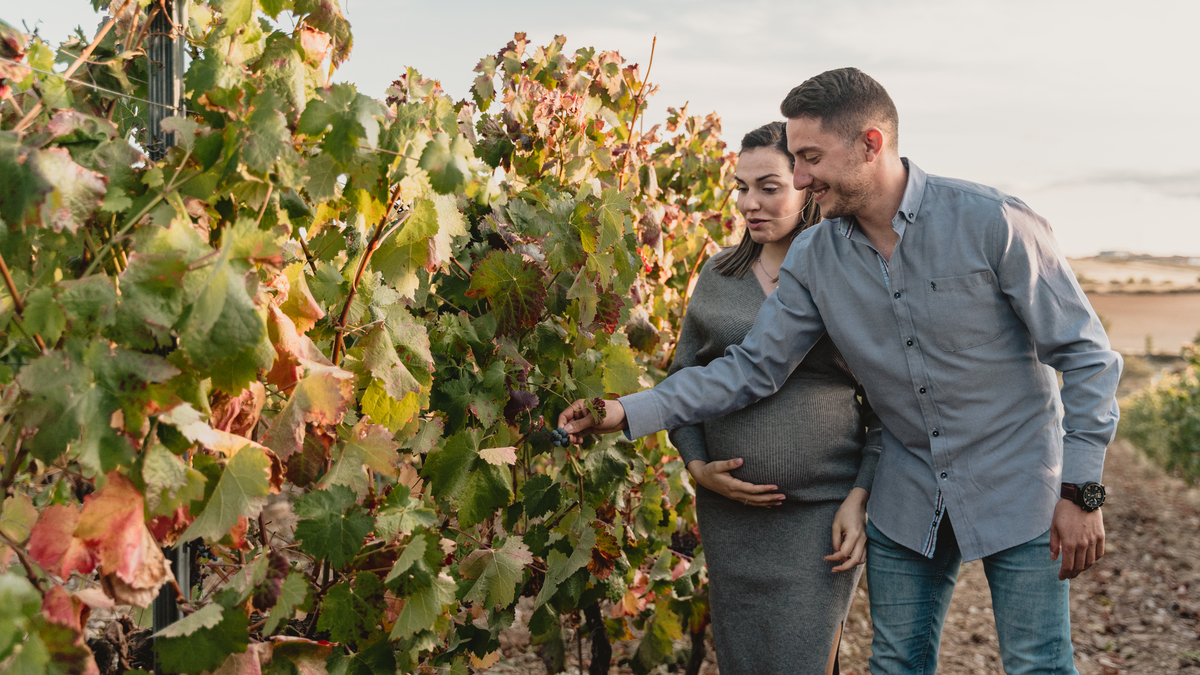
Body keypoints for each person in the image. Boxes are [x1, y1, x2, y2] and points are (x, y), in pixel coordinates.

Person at [560, 68, 1121, 675]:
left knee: (1038, 664)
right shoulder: (815, 255)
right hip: (909, 493)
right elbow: (752, 368)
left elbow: (1086, 355)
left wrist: (1082, 491)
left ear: (870, 144)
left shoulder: (993, 222)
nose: (800, 178)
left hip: (1020, 484)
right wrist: (625, 411)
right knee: (895, 664)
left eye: (810, 158)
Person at [669, 121, 881, 675]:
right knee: (743, 660)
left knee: (805, 660)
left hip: (823, 514)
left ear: (807, 185)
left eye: (769, 187)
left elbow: (887, 402)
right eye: (741, 187)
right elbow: (682, 381)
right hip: (730, 516)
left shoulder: (848, 275)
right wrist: (697, 466)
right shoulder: (719, 275)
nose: (749, 203)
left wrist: (860, 495)